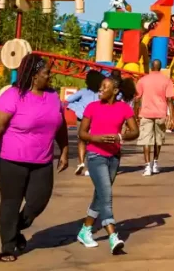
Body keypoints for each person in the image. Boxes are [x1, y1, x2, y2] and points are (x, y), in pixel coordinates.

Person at [0, 55, 69, 263]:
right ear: (34, 76)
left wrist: (64, 149)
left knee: (38, 202)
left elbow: (60, 125)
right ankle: (8, 246)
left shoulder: (53, 97)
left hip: (42, 159)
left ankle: (14, 227)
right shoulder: (12, 96)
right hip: (11, 159)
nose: (50, 76)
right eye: (46, 73)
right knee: (11, 201)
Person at [76, 75, 140, 254]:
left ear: (115, 90)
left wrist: (121, 137)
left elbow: (135, 131)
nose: (101, 89)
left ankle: (85, 230)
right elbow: (82, 133)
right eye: (100, 86)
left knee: (100, 195)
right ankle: (113, 236)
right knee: (107, 194)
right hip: (95, 155)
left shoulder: (124, 108)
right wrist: (95, 138)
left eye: (105, 87)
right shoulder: (92, 107)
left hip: (114, 156)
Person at [135, 59, 174, 176]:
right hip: (160, 113)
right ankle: (155, 163)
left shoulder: (142, 80)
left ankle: (147, 167)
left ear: (151, 67)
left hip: (146, 113)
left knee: (146, 140)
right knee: (158, 139)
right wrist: (171, 116)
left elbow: (137, 98)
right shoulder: (167, 81)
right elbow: (170, 99)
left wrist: (136, 112)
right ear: (160, 67)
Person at [67, 71, 103, 177]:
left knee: (81, 141)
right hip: (96, 120)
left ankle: (81, 162)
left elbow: (69, 99)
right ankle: (90, 166)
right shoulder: (101, 93)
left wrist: (77, 106)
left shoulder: (83, 92)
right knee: (93, 142)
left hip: (82, 118)